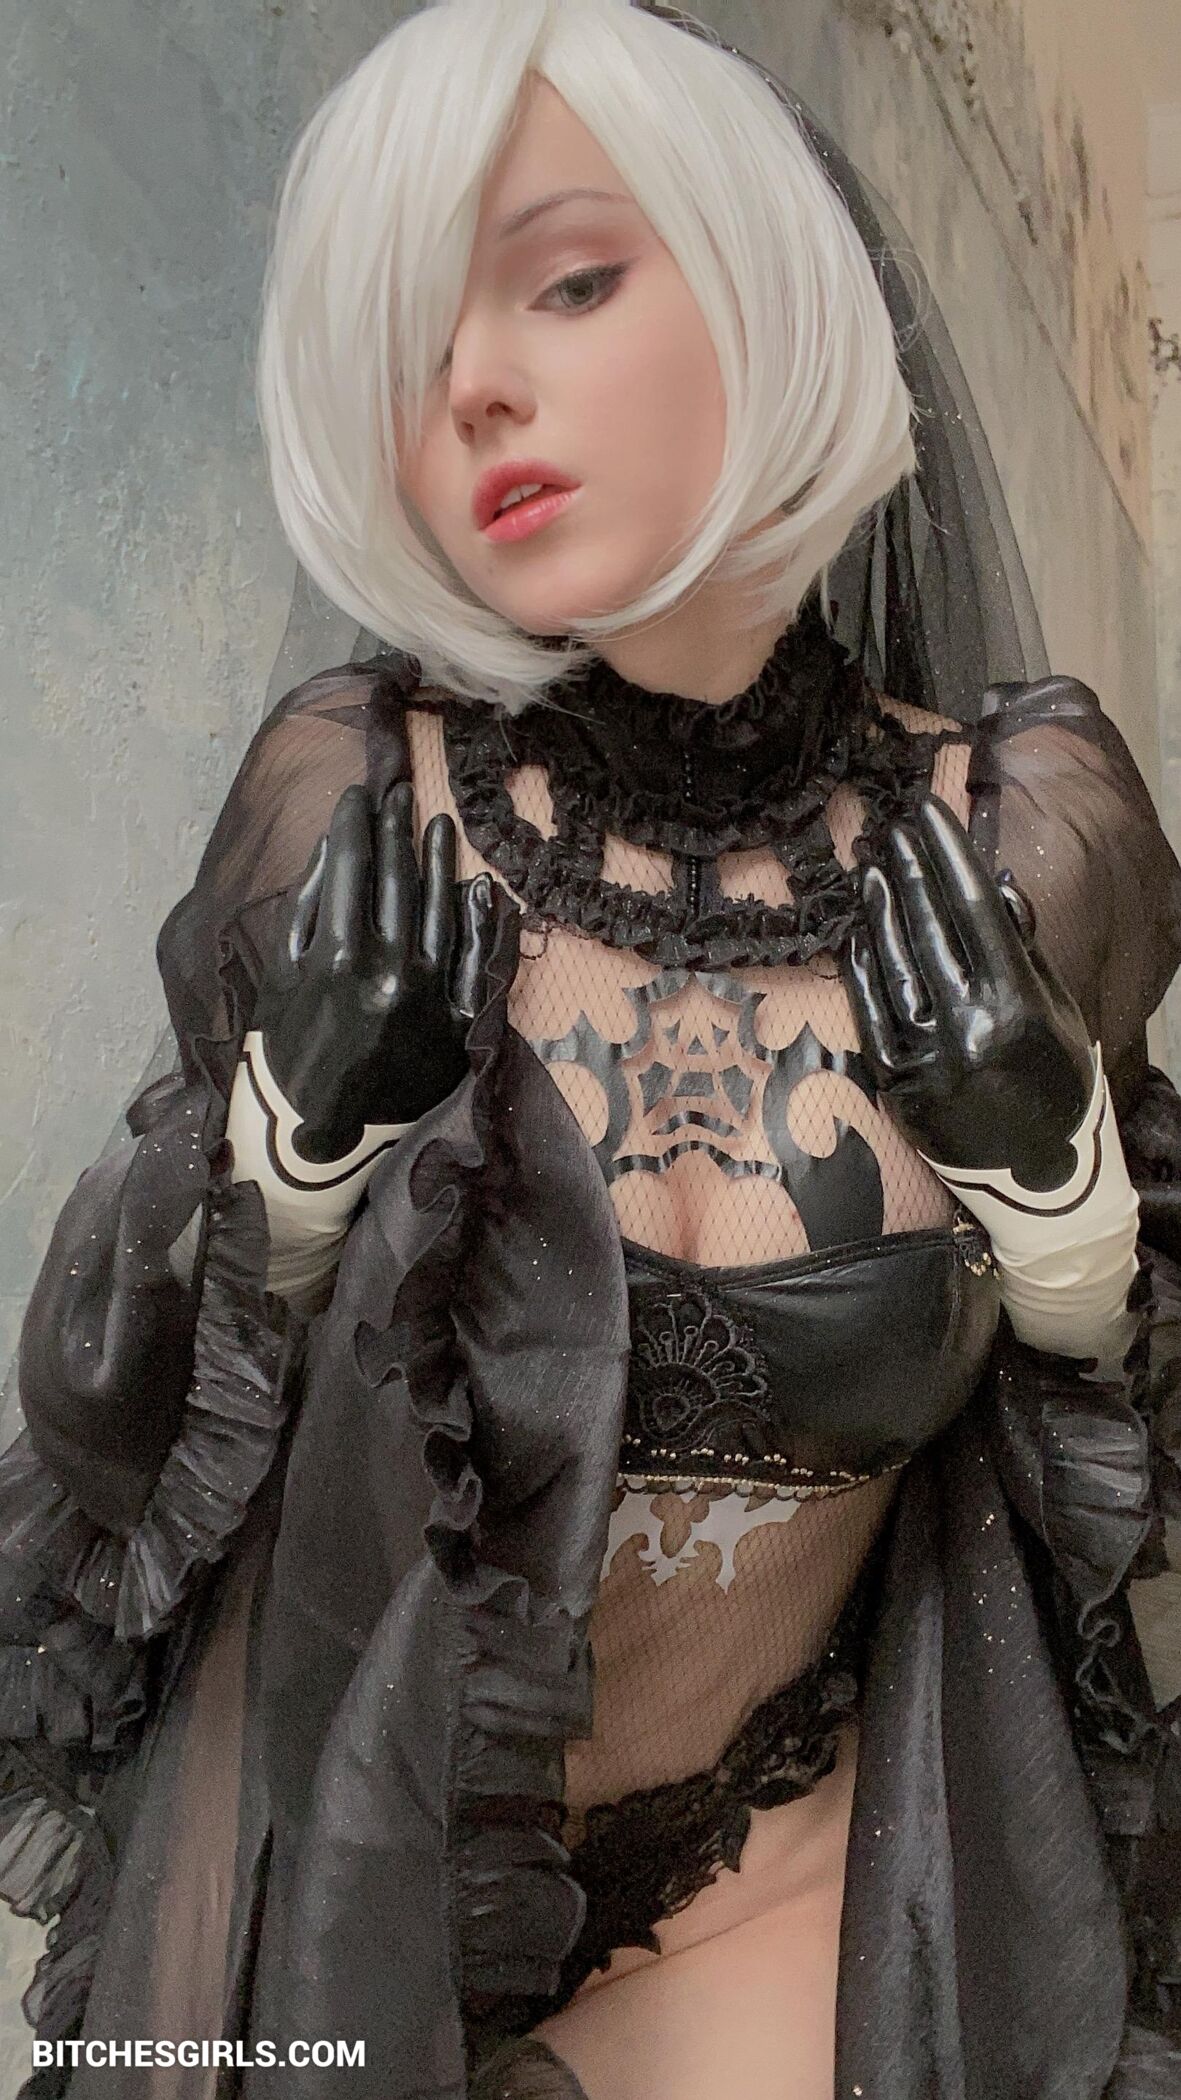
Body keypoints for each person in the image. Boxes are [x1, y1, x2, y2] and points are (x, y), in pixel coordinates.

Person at [3, 2, 1181, 2095]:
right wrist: (288, 1167)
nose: (470, 383)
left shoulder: (1025, 845)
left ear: (768, 273)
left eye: (567, 280)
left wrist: (1062, 1210)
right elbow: (120, 1458)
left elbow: (1106, 1492)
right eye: (409, 346)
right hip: (346, 1861)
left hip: (775, 1877)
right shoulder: (349, 808)